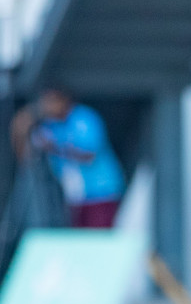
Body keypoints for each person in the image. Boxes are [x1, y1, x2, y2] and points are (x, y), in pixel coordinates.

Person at [12, 89, 125, 228]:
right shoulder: (50, 125)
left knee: (97, 239)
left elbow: (89, 155)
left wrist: (55, 147)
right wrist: (20, 125)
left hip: (100, 193)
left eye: (51, 102)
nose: (48, 107)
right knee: (78, 241)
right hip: (74, 196)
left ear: (63, 100)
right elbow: (25, 157)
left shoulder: (83, 118)